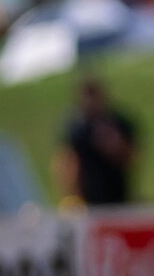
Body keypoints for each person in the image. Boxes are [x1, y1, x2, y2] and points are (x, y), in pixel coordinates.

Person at [59, 78, 138, 206]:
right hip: (89, 200)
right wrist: (74, 194)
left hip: (119, 197)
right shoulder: (77, 128)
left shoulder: (119, 122)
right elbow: (69, 163)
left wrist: (115, 146)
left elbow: (133, 158)